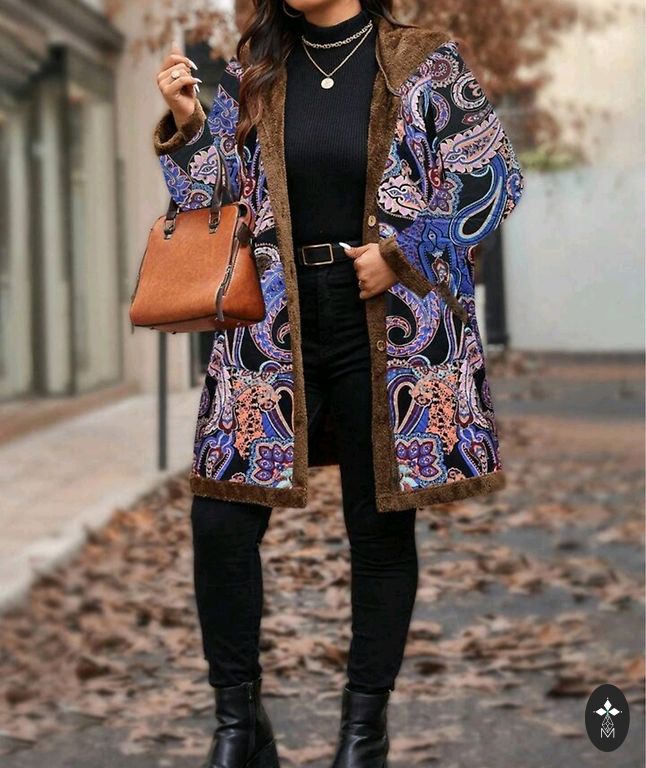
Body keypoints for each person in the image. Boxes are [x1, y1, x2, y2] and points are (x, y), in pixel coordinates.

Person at [152, 1, 525, 766]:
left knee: (378, 525)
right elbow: (210, 205)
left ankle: (363, 733)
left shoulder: (426, 60)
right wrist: (189, 125)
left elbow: (493, 181)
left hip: (385, 322)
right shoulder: (254, 72)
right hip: (270, 321)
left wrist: (402, 252)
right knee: (220, 520)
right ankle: (238, 725)